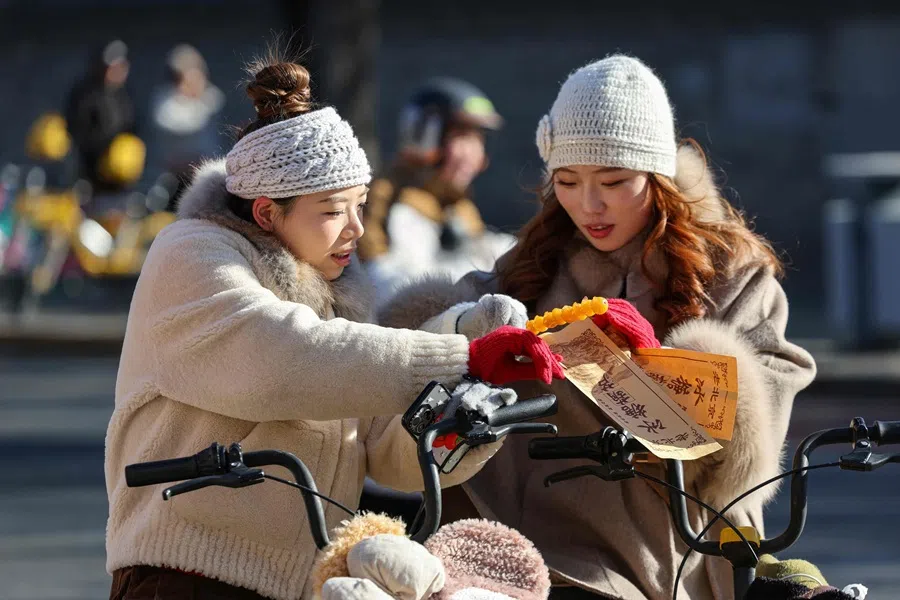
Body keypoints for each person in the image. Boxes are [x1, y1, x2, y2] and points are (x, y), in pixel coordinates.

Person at [104, 55, 564, 600]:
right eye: (331, 210)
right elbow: (282, 358)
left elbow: (386, 453)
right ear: (267, 213)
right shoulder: (190, 254)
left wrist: (471, 389)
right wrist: (461, 353)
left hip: (308, 583)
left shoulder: (335, 285)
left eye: (360, 206)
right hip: (184, 577)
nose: (356, 229)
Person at [378, 55, 817, 600]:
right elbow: (415, 337)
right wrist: (467, 334)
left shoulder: (734, 278)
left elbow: (744, 468)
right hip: (528, 547)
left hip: (676, 552)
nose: (589, 205)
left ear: (657, 175)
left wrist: (670, 371)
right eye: (567, 180)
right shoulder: (532, 266)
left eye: (614, 180)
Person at [357, 77, 515, 305]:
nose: (473, 155)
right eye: (462, 138)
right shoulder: (389, 199)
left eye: (478, 140)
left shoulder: (459, 206)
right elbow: (384, 283)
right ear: (424, 135)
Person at [149, 44, 226, 209]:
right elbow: (179, 124)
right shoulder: (165, 101)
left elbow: (213, 107)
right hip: (174, 179)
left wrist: (198, 97)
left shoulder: (210, 98)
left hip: (205, 177)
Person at [64, 40, 138, 196]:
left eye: (119, 67)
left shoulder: (125, 95)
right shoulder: (85, 95)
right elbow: (77, 132)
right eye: (109, 68)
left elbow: (133, 127)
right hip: (91, 172)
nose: (113, 72)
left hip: (121, 174)